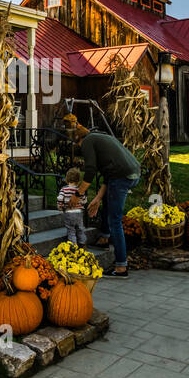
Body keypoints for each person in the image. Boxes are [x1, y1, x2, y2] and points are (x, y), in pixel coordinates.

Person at [68, 119, 140, 278]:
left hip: (122, 177)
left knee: (115, 219)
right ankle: (104, 238)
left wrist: (78, 194)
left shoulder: (87, 142)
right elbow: (108, 176)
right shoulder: (100, 137)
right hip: (131, 173)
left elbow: (91, 170)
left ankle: (121, 267)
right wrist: (98, 198)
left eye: (76, 145)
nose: (79, 148)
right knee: (109, 202)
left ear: (78, 140)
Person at [56, 167, 87, 245]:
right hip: (79, 212)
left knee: (71, 230)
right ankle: (83, 243)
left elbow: (60, 199)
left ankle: (73, 245)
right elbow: (84, 200)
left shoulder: (64, 189)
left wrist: (60, 206)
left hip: (69, 212)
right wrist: (81, 204)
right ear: (79, 180)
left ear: (67, 178)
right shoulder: (80, 190)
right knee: (80, 228)